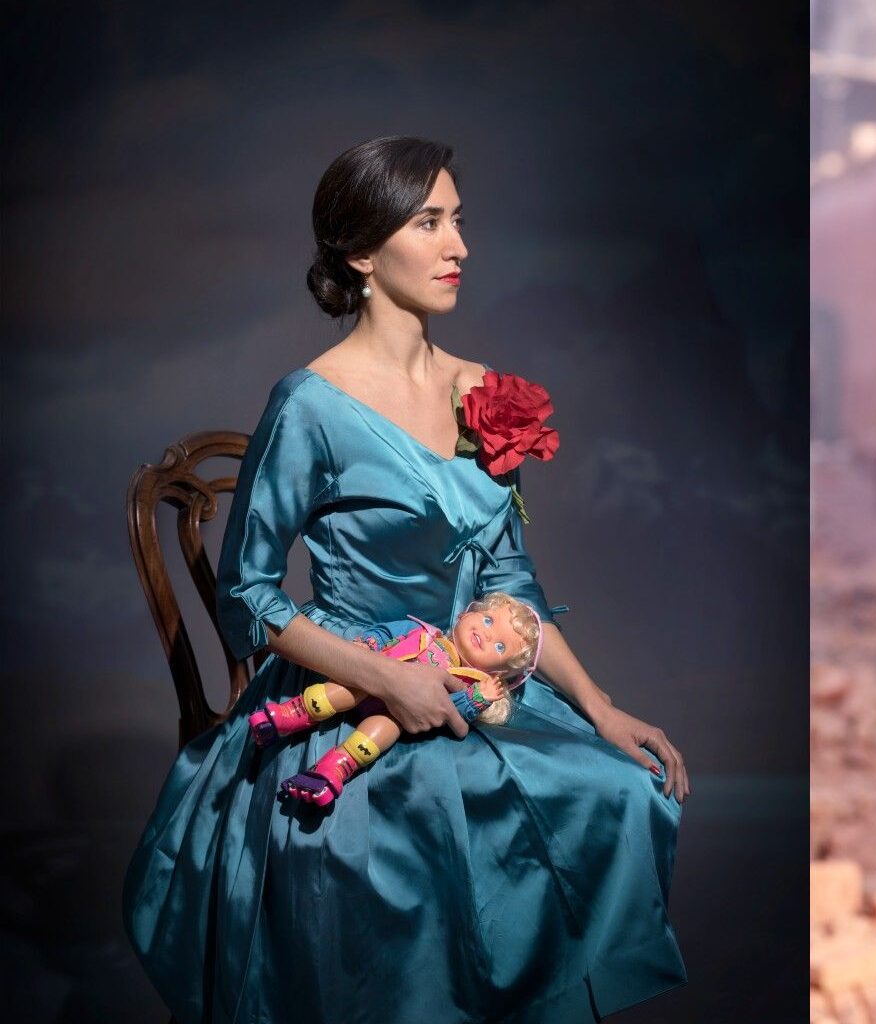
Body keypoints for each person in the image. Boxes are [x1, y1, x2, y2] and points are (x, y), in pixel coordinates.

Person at [122, 136, 690, 1023]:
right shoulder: (308, 404)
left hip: (472, 676)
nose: (458, 245)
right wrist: (387, 677)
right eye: (428, 222)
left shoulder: (484, 394)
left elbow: (512, 587)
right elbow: (248, 592)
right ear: (361, 251)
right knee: (423, 822)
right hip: (349, 691)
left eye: (458, 220)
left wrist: (601, 705)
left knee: (614, 787)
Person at [248, 592, 547, 806]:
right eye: (487, 620)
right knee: (347, 689)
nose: (487, 633)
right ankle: (289, 715)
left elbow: (448, 712)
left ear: (496, 673)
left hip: (397, 711)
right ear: (467, 612)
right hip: (368, 679)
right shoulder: (424, 631)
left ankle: (339, 765)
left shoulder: (463, 683)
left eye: (499, 646)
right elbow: (388, 632)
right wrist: (370, 643)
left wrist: (477, 698)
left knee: (387, 726)